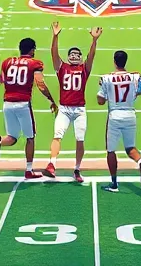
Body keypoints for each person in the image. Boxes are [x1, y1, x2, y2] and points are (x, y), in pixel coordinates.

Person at [0, 37, 57, 179]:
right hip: (23, 103)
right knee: (30, 138)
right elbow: (40, 84)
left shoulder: (7, 62)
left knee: (12, 137)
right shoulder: (34, 63)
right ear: (32, 49)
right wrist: (51, 99)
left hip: (7, 103)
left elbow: (0, 80)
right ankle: (28, 170)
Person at [48, 23, 102, 181]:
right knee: (57, 135)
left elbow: (91, 56)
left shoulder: (84, 69)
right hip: (64, 108)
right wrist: (55, 36)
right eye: (71, 54)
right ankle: (52, 164)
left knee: (80, 139)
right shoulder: (62, 67)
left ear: (80, 58)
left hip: (79, 110)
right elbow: (53, 53)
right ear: (68, 56)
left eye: (77, 54)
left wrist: (94, 41)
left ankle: (77, 169)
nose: (74, 56)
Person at [97, 49, 141, 192]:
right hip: (130, 114)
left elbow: (100, 101)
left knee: (111, 151)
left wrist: (108, 93)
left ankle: (114, 183)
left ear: (114, 62)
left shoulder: (106, 78)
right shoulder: (134, 77)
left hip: (115, 115)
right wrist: (133, 94)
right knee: (130, 148)